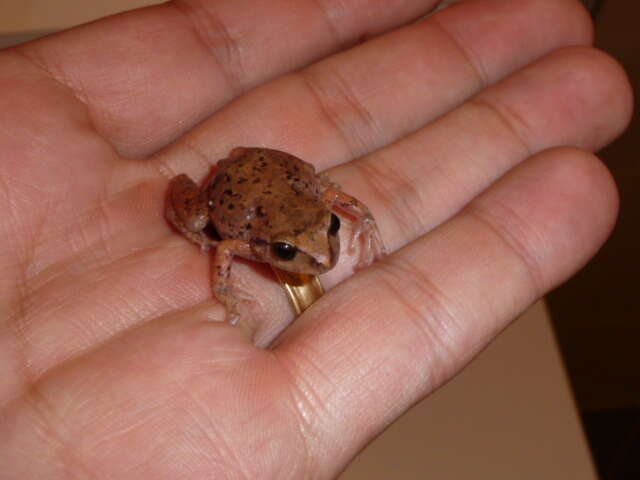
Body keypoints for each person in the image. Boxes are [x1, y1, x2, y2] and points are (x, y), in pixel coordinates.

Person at [0, 0, 631, 477]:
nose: (317, 258)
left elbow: (338, 200)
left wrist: (363, 224)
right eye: (291, 254)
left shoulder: (320, 214)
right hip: (233, 198)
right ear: (269, 247)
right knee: (195, 222)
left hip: (274, 179)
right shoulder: (244, 242)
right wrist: (225, 292)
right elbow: (222, 245)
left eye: (321, 238)